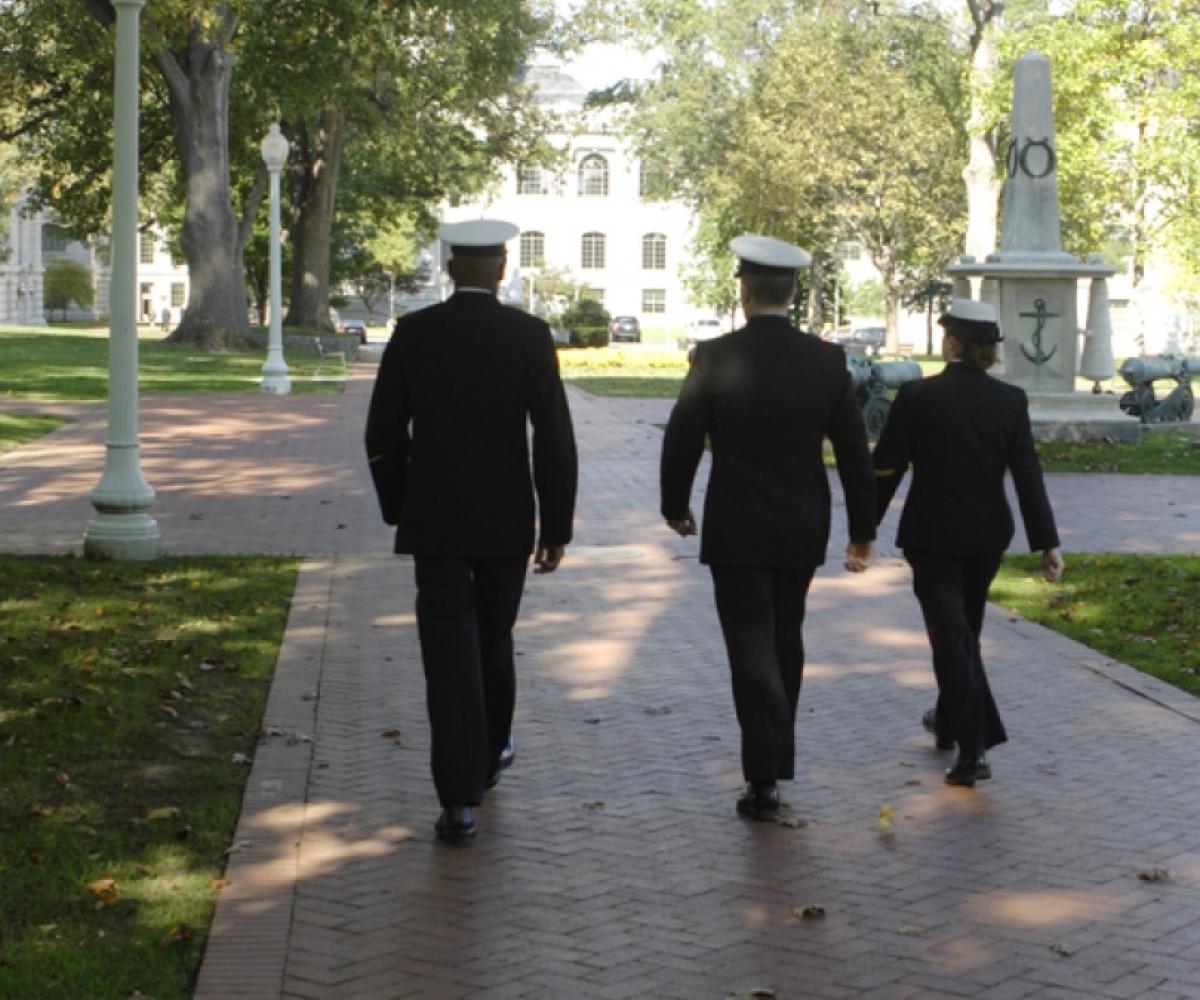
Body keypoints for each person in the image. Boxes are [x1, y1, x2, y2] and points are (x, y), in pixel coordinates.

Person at [364, 219, 578, 842]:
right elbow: (553, 436)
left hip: (435, 520)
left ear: (451, 268)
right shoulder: (529, 336)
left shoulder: (415, 332)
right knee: (493, 637)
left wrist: (399, 506)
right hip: (506, 520)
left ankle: (458, 801)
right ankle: (486, 757)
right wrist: (555, 525)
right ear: (503, 269)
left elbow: (383, 432)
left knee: (447, 654)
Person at [660, 234, 877, 822]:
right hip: (802, 523)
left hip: (736, 524)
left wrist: (675, 504)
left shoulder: (714, 356)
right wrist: (862, 529)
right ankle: (773, 762)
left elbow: (683, 435)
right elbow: (853, 450)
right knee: (786, 638)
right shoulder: (826, 361)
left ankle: (763, 775)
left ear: (745, 291)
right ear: (793, 293)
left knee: (750, 647)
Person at [872, 298, 1064, 787]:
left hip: (932, 537)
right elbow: (1027, 474)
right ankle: (947, 718)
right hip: (986, 538)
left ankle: (973, 748)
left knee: (951, 639)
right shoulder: (1010, 400)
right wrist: (1047, 542)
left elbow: (888, 467)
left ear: (951, 341)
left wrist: (863, 529)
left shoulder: (917, 396)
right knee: (963, 634)